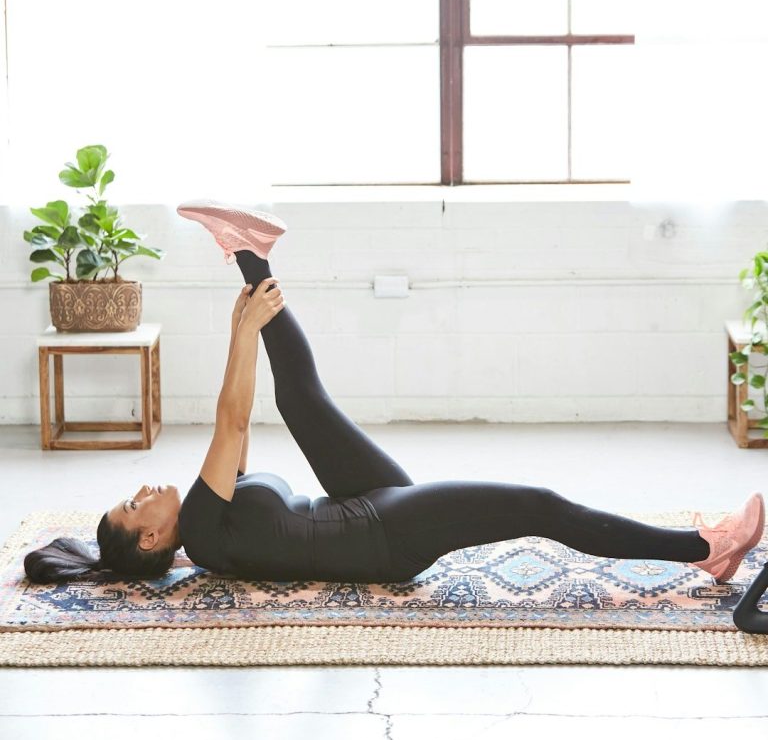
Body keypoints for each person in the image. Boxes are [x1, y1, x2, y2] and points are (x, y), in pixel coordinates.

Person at [24, 202, 766, 587]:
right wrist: (242, 334)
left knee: (302, 401)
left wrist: (242, 331)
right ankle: (703, 549)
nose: (142, 492)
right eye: (134, 506)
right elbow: (229, 416)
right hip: (384, 539)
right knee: (538, 505)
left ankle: (251, 253)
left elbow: (241, 427)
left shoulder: (206, 531)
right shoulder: (206, 529)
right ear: (151, 539)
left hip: (360, 503)